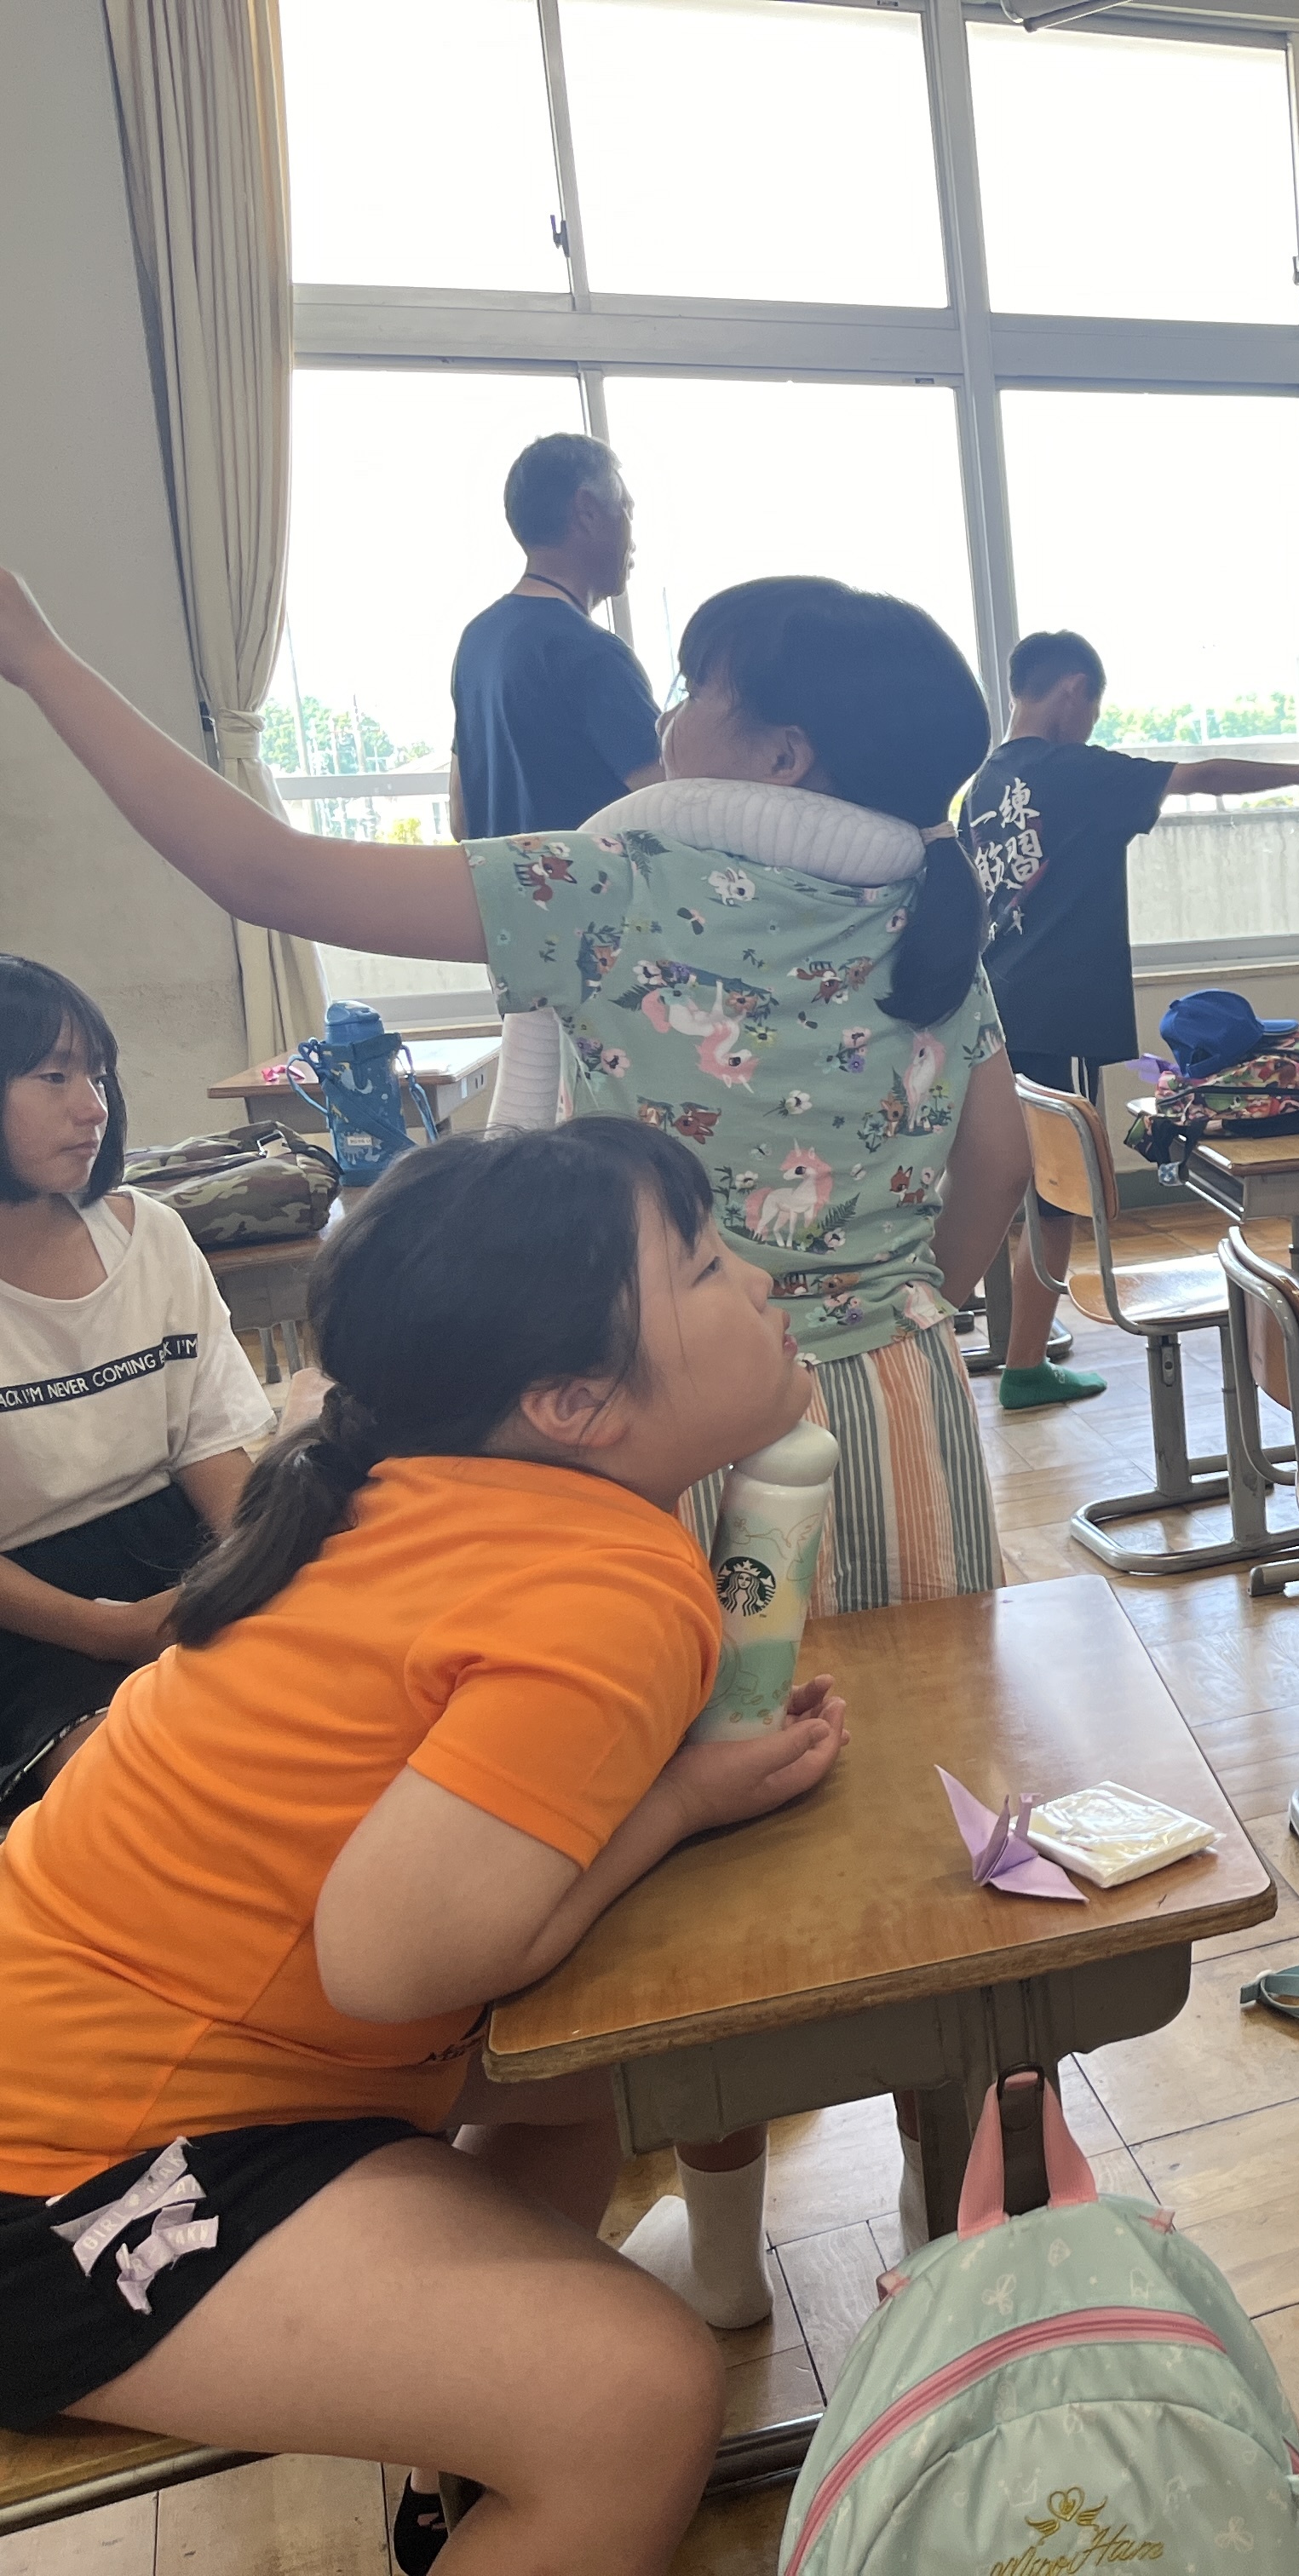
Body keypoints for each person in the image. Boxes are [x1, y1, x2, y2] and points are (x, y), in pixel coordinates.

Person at [0, 564, 1025, 2337]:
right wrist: (892, 1304)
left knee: (686, 1896)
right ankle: (972, 2273)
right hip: (900, 1418)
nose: (658, 724)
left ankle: (719, 2264)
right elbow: (995, 1180)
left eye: (692, 690)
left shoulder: (619, 877)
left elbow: (263, 869)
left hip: (659, 1445)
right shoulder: (935, 923)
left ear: (772, 743)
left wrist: (36, 651)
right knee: (936, 1866)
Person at [0, 1118, 848, 2576]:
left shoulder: (410, 1487)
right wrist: (686, 1801)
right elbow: (394, 1956)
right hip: (68, 2168)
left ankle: (467, 2468)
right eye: (707, 1263)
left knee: (584, 2076)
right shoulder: (605, 1580)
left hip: (157, 2063)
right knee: (632, 2396)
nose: (762, 1278)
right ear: (575, 1398)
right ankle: (525, 2460)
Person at [957, 630, 1299, 1411]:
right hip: (1059, 1009)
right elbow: (1200, 773)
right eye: (1093, 708)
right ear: (1074, 691)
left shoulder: (984, 783)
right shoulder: (1070, 771)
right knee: (1055, 1195)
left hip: (996, 1006)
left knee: (1003, 1180)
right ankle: (1026, 1367)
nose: (1092, 725)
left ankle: (1002, 1347)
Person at [0, 960, 266, 1820]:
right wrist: (111, 1631)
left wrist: (251, 1570)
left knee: (317, 1731)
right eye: (53, 1076)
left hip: (175, 1550)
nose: (92, 1106)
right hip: (27, 1609)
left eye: (99, 1075)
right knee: (147, 1798)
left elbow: (207, 1441)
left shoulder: (149, 1233)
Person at [445, 434, 660, 842]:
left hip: (503, 897)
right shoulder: (590, 652)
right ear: (587, 511)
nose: (633, 538)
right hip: (587, 901)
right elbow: (671, 804)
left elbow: (461, 816)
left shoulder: (476, 639)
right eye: (627, 509)